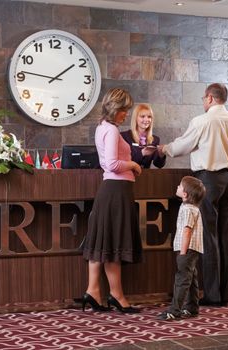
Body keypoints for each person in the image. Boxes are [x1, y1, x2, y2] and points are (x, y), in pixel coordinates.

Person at [159, 83, 228, 306]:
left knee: (208, 238)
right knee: (227, 238)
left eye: (203, 98)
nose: (203, 102)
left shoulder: (203, 120)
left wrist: (164, 149)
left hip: (208, 180)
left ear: (210, 98)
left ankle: (212, 296)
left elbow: (183, 146)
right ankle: (224, 295)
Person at [82, 88, 142, 313]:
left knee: (103, 242)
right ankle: (117, 295)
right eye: (124, 110)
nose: (126, 114)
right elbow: (112, 164)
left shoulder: (103, 128)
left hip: (111, 190)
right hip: (117, 190)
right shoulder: (113, 131)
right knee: (113, 245)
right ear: (115, 108)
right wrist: (134, 165)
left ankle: (93, 291)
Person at [158, 176, 206, 321]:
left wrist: (183, 252)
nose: (177, 187)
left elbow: (187, 230)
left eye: (180, 186)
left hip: (187, 249)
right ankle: (192, 307)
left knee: (182, 279)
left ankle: (175, 310)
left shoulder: (187, 209)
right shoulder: (193, 208)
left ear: (185, 194)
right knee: (191, 278)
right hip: (193, 249)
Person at [120, 103, 166, 169]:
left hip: (146, 177)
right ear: (135, 118)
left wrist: (161, 154)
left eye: (149, 117)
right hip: (128, 175)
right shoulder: (124, 136)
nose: (146, 120)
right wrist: (141, 153)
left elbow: (158, 165)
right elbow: (123, 161)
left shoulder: (155, 139)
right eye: (142, 116)